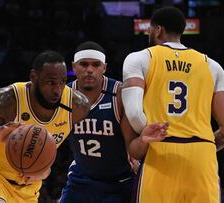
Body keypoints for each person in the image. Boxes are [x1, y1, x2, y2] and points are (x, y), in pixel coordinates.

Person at [121, 6, 224, 203]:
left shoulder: (139, 58)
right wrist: (202, 147)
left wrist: (148, 136)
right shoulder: (213, 66)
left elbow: (133, 113)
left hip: (160, 149)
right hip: (202, 156)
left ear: (157, 30)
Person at [0, 50, 91, 203]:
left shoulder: (77, 107)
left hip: (29, 190)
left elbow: (51, 154)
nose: (57, 90)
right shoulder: (7, 99)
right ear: (34, 77)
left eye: (62, 82)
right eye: (50, 82)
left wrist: (44, 171)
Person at [59, 41, 165, 203]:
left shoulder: (119, 94)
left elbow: (132, 143)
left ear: (104, 68)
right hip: (81, 180)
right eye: (83, 64)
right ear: (74, 66)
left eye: (96, 65)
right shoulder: (64, 96)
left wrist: (140, 146)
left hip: (118, 183)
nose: (89, 70)